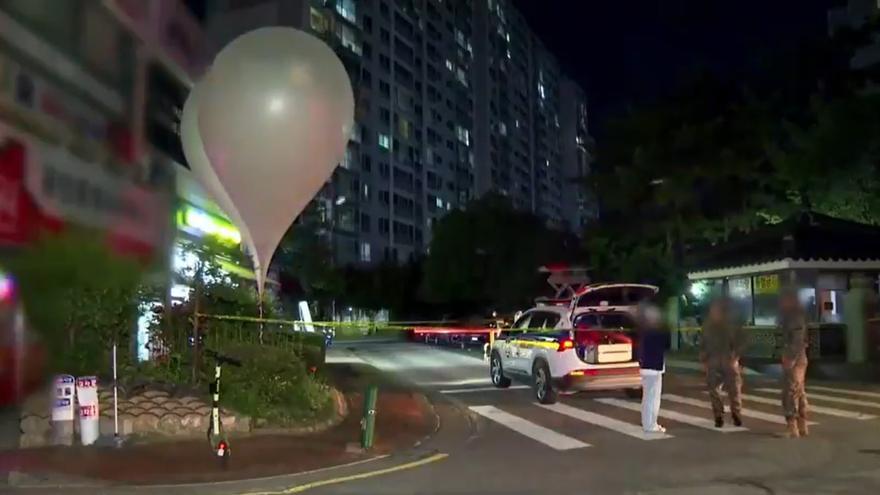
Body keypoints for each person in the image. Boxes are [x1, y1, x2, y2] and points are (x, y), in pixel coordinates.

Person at [700, 297, 747, 428]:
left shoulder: (731, 325)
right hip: (714, 361)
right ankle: (719, 416)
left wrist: (736, 357)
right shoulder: (708, 326)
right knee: (714, 390)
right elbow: (703, 344)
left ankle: (736, 414)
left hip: (728, 360)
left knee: (734, 389)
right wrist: (704, 359)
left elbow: (742, 342)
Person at [778, 288, 809, 438]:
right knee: (799, 389)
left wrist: (789, 357)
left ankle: (793, 426)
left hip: (794, 357)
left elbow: (796, 340)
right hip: (800, 355)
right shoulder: (799, 315)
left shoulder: (793, 317)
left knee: (790, 390)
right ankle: (802, 424)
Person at [636, 301, 671, 433]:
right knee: (653, 398)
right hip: (654, 368)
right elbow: (667, 344)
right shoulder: (657, 331)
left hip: (646, 366)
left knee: (647, 397)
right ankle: (651, 425)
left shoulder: (644, 330)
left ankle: (648, 423)